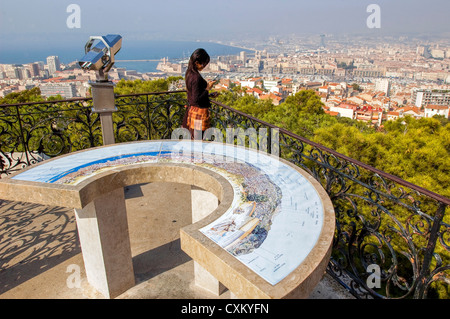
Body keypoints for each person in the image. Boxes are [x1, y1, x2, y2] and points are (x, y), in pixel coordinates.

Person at [182, 48, 219, 139]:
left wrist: (209, 95)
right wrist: (207, 88)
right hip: (198, 114)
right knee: (198, 142)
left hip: (192, 112)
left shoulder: (189, 73)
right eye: (203, 64)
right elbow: (196, 99)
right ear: (196, 62)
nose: (204, 66)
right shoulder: (196, 77)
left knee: (193, 139)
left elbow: (195, 94)